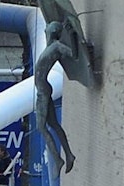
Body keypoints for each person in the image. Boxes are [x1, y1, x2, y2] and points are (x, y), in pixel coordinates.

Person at [34, 20, 77, 175]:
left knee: (41, 126)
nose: (46, 32)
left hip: (43, 91)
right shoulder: (50, 45)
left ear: (53, 32)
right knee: (53, 124)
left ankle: (58, 159)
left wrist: (71, 35)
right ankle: (69, 155)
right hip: (42, 89)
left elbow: (73, 54)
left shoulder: (56, 47)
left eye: (48, 31)